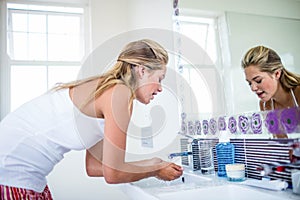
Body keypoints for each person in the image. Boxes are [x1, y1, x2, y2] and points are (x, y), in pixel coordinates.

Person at [0, 39, 183, 199]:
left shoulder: (108, 90)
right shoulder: (118, 93)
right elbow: (113, 174)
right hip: (11, 172)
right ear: (142, 71)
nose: (160, 88)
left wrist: (154, 163)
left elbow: (95, 167)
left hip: (20, 173)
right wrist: (156, 170)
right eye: (160, 79)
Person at [241, 45, 300, 138]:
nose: (253, 88)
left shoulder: (298, 93)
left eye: (258, 80)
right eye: (249, 83)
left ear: (277, 73)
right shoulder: (265, 105)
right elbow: (283, 145)